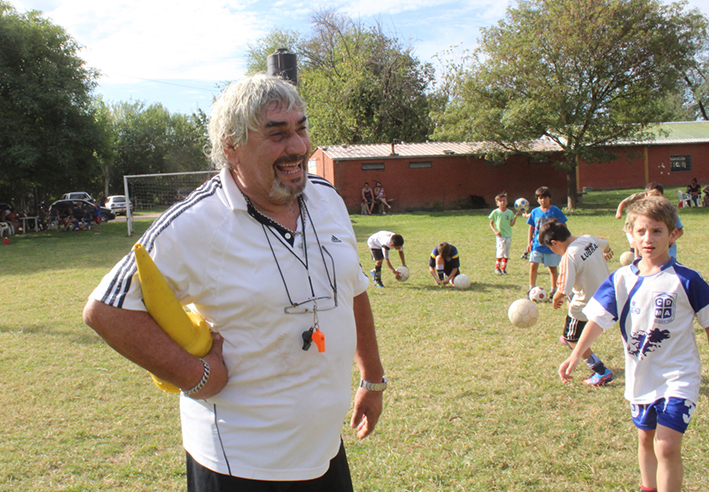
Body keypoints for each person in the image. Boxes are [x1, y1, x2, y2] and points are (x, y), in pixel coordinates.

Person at [83, 74, 385, 492]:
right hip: (240, 463)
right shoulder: (196, 222)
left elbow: (352, 286)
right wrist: (196, 375)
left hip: (324, 449)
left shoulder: (326, 198)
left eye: (300, 129)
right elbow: (105, 310)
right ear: (231, 146)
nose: (297, 147)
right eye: (276, 134)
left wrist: (371, 376)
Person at [559, 196, 709, 492]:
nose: (648, 238)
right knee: (645, 439)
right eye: (641, 232)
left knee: (665, 446)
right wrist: (576, 355)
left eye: (657, 231)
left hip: (679, 376)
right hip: (641, 376)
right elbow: (599, 319)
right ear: (631, 234)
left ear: (673, 234)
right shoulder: (622, 279)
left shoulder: (688, 281)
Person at [539, 219, 614, 386]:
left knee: (572, 337)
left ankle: (601, 371)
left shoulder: (569, 256)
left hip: (586, 304)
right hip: (605, 295)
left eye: (551, 248)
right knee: (572, 301)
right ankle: (572, 339)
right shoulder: (587, 239)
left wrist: (556, 298)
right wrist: (607, 251)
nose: (553, 251)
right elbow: (606, 243)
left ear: (555, 243)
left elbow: (564, 289)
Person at [615, 182, 683, 259]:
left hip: (667, 256)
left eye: (657, 196)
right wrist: (637, 255)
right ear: (646, 195)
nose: (654, 199)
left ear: (663, 196)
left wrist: (671, 239)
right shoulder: (640, 213)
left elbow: (679, 230)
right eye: (652, 196)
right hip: (645, 258)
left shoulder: (668, 212)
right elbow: (636, 236)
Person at [525, 186, 567, 299]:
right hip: (537, 245)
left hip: (551, 246)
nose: (542, 200)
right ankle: (531, 288)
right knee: (533, 265)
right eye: (540, 198)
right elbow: (531, 227)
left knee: (552, 268)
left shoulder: (555, 211)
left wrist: (562, 240)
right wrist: (529, 242)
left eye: (545, 198)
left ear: (550, 198)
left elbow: (563, 225)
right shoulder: (535, 212)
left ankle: (554, 290)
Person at [488, 192, 522, 275]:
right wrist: (495, 231)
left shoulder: (509, 212)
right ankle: (497, 268)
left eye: (504, 201)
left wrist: (516, 216)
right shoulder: (495, 212)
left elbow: (511, 224)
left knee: (506, 253)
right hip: (500, 236)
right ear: (497, 203)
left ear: (507, 202)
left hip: (508, 235)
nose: (502, 202)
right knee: (500, 251)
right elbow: (491, 223)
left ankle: (503, 269)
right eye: (500, 201)